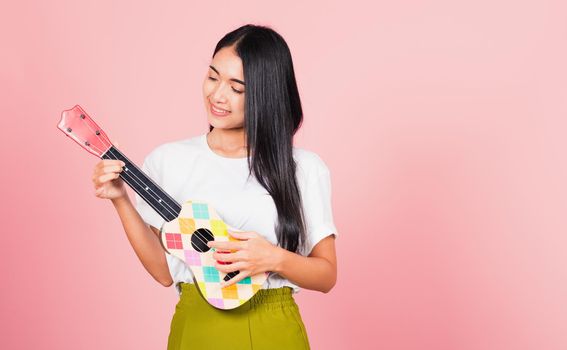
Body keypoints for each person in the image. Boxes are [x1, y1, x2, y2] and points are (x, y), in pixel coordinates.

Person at [91, 24, 339, 350]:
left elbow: (326, 275)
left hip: (273, 324)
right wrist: (120, 200)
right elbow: (164, 272)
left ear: (267, 95)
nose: (217, 95)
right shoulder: (168, 161)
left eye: (237, 88)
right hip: (197, 322)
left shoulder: (304, 168)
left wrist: (272, 258)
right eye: (212, 77)